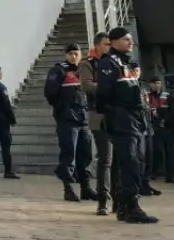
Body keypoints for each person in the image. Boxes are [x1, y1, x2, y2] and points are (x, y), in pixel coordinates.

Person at [95, 27, 157, 224]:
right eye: (126, 40)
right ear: (113, 42)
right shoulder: (108, 62)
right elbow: (104, 95)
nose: (130, 43)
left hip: (136, 117)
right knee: (129, 162)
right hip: (123, 118)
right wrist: (114, 115)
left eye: (131, 40)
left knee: (136, 161)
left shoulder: (127, 62)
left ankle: (123, 206)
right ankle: (131, 207)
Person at [44, 42, 95, 202]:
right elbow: (50, 94)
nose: (74, 56)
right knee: (68, 154)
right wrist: (63, 109)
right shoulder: (59, 70)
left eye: (76, 53)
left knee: (85, 154)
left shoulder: (84, 70)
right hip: (67, 119)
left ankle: (85, 188)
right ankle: (68, 188)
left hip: (83, 119)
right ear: (66, 55)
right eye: (71, 53)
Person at [82, 32, 116, 215]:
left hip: (118, 115)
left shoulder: (114, 62)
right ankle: (103, 200)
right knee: (105, 159)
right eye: (105, 44)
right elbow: (86, 85)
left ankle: (120, 199)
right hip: (98, 115)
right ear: (97, 46)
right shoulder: (87, 64)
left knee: (119, 159)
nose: (109, 47)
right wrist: (109, 87)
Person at [138, 76, 163, 197]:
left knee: (149, 158)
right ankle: (140, 186)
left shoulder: (144, 92)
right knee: (141, 159)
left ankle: (146, 183)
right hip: (140, 130)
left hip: (148, 128)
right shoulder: (134, 90)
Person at [144, 76, 166, 186]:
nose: (157, 85)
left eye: (158, 83)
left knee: (164, 149)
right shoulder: (147, 96)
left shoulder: (165, 96)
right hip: (152, 126)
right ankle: (155, 171)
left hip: (164, 126)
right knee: (155, 150)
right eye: (154, 83)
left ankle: (163, 170)